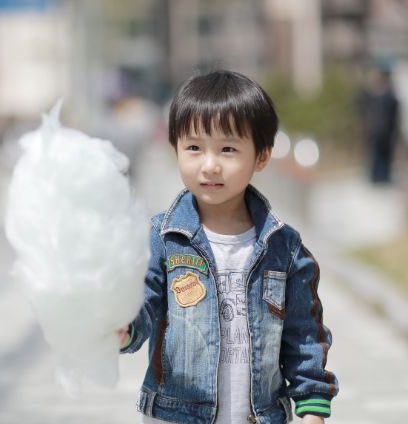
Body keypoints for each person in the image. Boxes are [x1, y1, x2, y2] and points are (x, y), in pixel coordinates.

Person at [117, 70, 338, 424]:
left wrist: (313, 407)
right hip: (175, 417)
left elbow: (304, 336)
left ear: (262, 156)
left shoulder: (284, 246)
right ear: (174, 148)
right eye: (194, 147)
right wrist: (122, 327)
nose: (210, 164)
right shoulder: (161, 239)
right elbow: (142, 309)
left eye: (228, 149)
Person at [358, 67, 400, 184]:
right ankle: (377, 176)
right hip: (378, 131)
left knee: (384, 155)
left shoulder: (387, 96)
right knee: (377, 155)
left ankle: (383, 176)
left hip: (385, 131)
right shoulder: (374, 96)